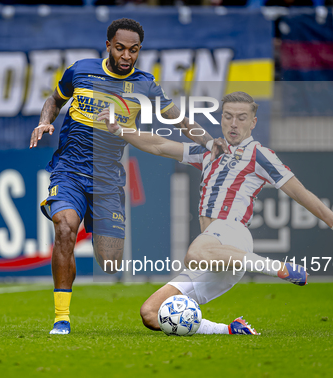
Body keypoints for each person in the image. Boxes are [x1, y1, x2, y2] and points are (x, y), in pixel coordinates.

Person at [97, 91, 333, 335]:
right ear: (221, 119)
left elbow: (298, 191)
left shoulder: (258, 154)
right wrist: (119, 130)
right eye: (228, 117)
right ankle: (230, 329)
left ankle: (278, 268)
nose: (234, 123)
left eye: (242, 117)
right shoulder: (208, 151)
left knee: (193, 254)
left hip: (232, 236)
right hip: (217, 256)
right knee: (151, 313)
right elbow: (158, 145)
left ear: (253, 122)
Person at [29, 18, 228, 335]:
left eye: (133, 50)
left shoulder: (145, 85)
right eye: (120, 48)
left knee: (109, 263)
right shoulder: (81, 70)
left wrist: (209, 141)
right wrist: (44, 121)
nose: (126, 56)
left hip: (107, 180)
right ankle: (61, 319)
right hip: (69, 170)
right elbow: (54, 100)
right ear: (108, 45)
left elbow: (179, 120)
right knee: (65, 227)